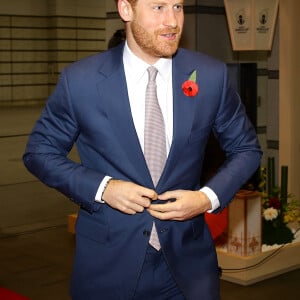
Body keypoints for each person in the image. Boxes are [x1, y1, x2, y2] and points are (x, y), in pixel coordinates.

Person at [23, 0, 262, 299]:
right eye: (158, 7)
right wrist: (104, 188)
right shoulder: (80, 81)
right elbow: (39, 153)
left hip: (188, 270)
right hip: (109, 266)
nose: (172, 21)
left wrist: (205, 198)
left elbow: (246, 149)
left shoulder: (211, 76)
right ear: (126, 9)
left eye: (177, 7)